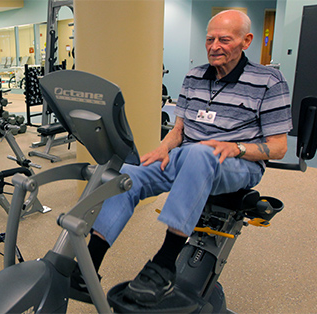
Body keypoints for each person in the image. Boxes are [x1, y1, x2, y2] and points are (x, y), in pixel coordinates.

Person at [71, 10, 292, 307]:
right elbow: (179, 130)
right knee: (129, 174)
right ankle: (88, 267)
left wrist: (237, 148)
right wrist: (163, 148)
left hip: (239, 164)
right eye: (210, 39)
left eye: (224, 40)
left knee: (201, 153)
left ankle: (164, 264)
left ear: (246, 40)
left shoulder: (268, 81)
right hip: (188, 154)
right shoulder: (194, 76)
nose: (214, 46)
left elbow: (278, 147)